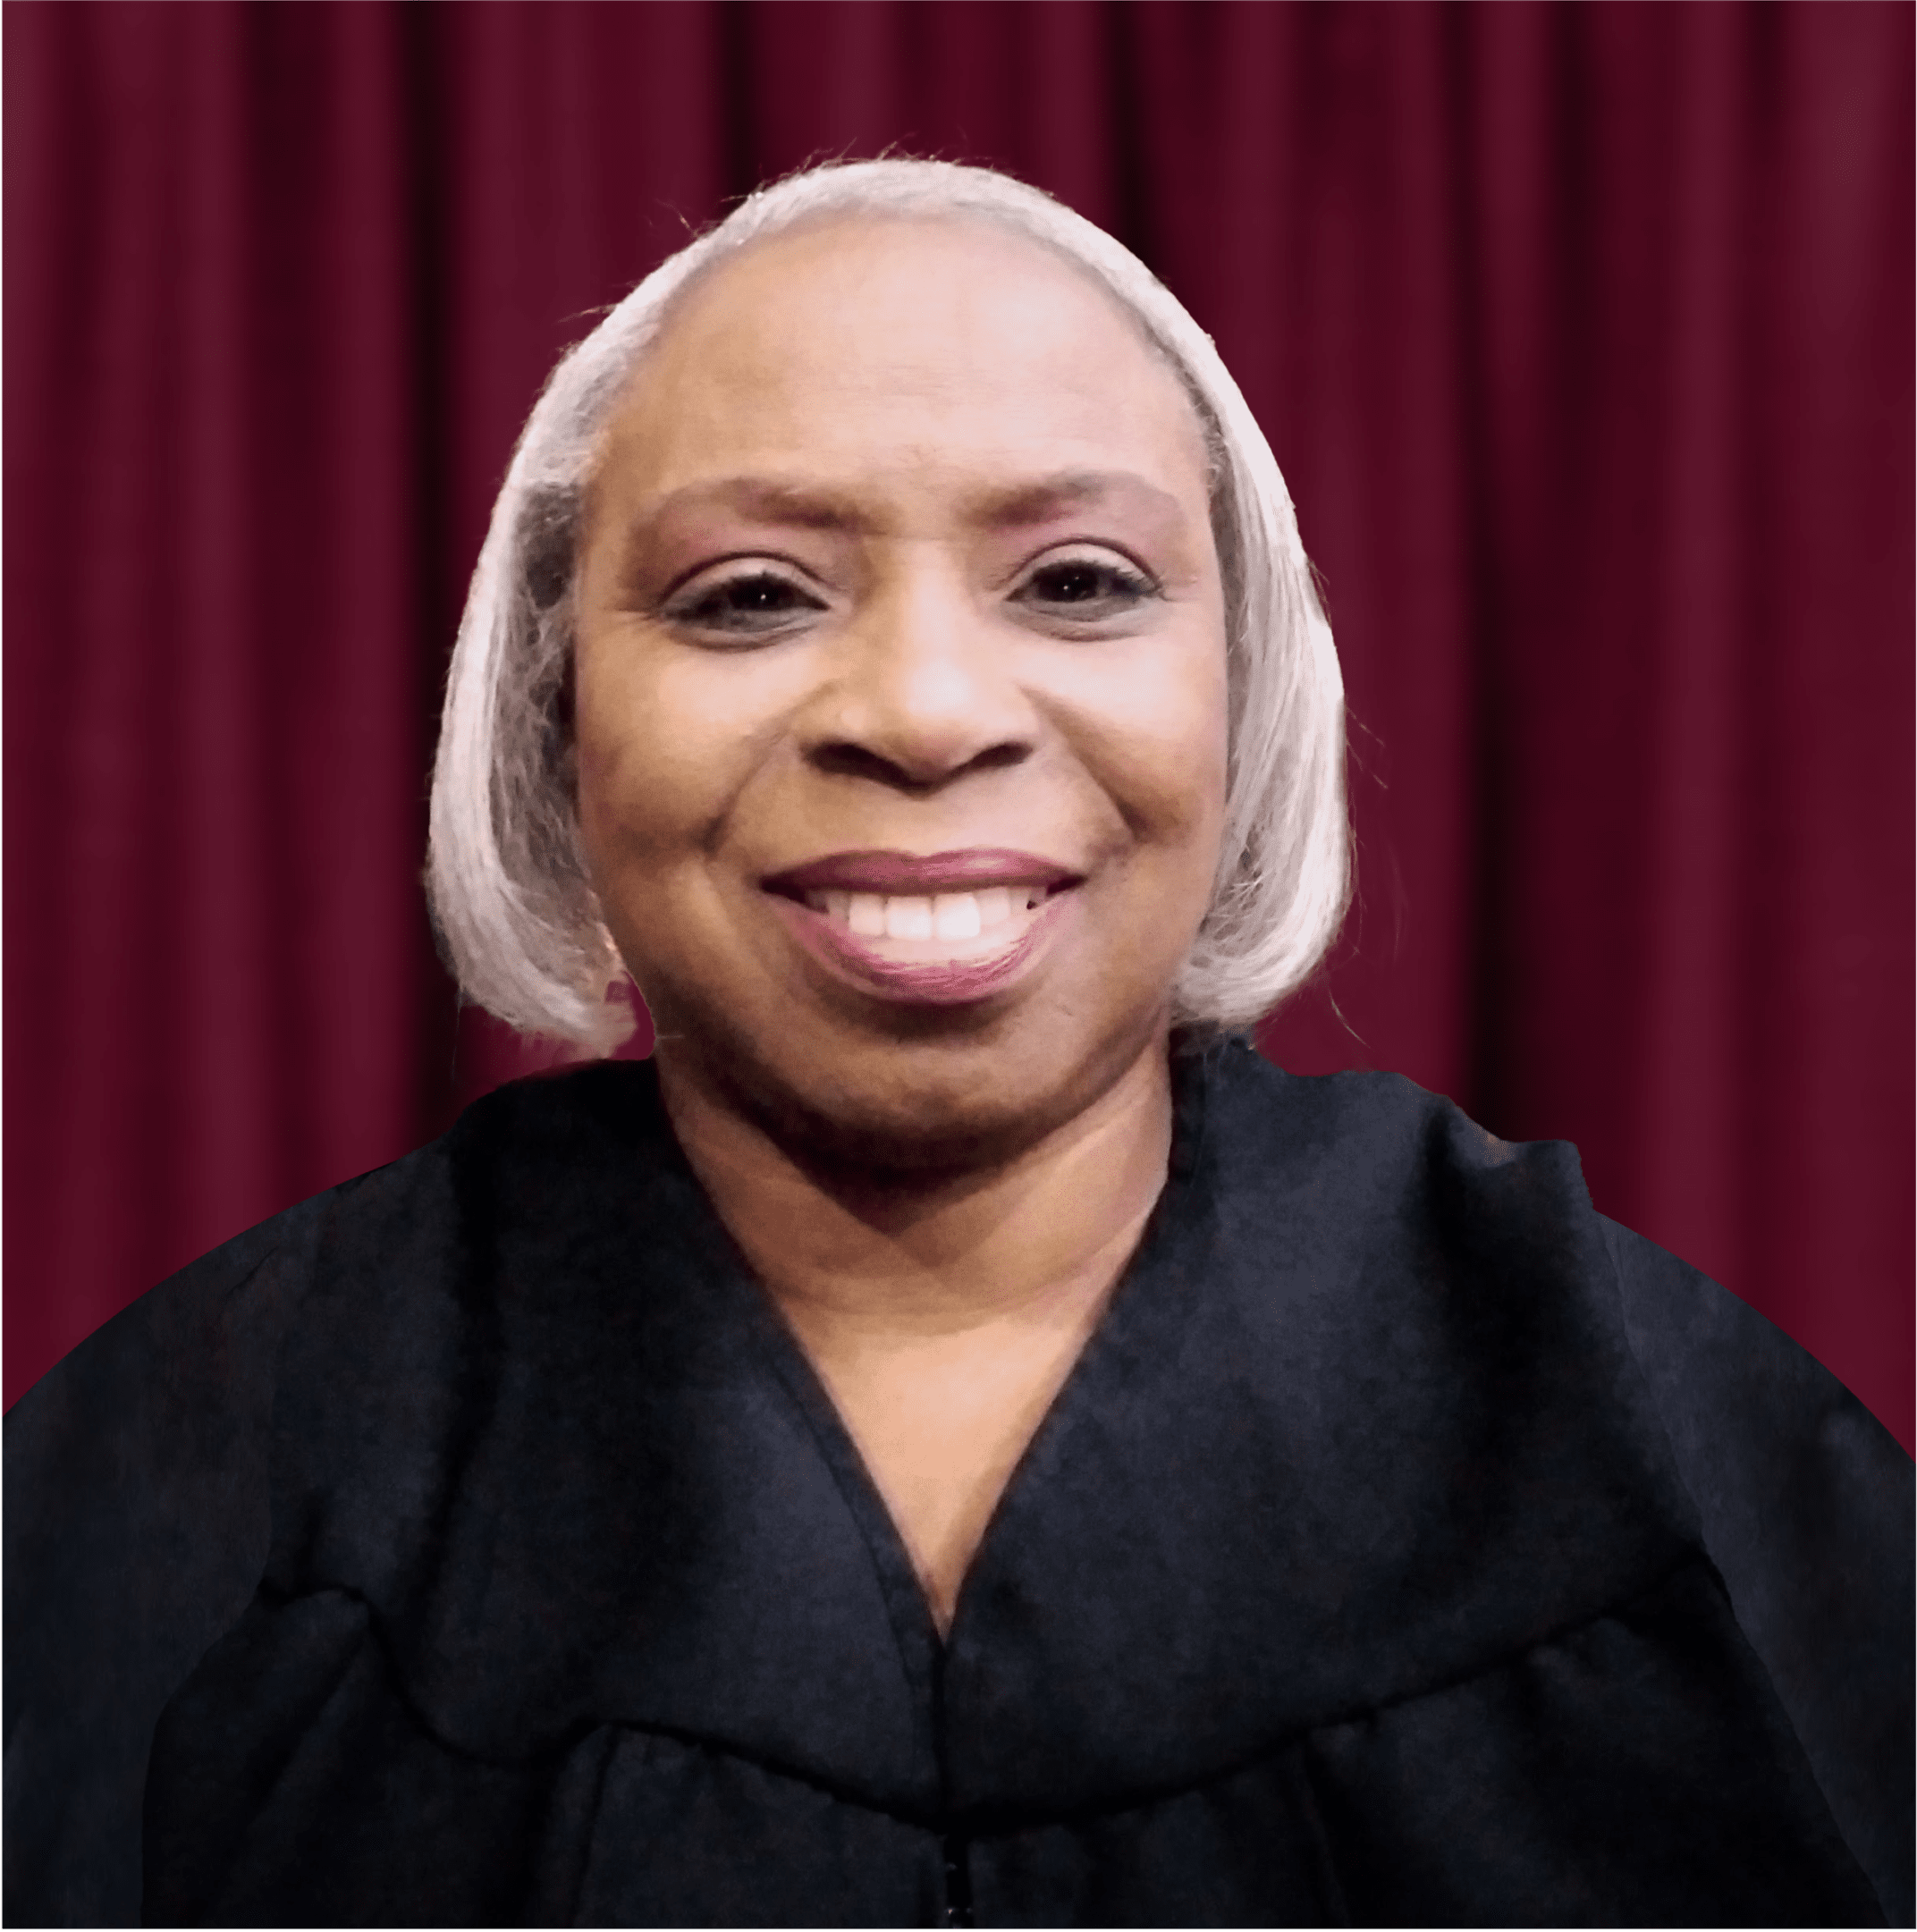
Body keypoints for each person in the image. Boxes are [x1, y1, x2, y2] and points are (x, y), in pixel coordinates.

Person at [4, 157, 1909, 1930]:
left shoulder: (1642, 1433)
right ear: (551, 724)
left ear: (1241, 697)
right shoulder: (216, 1483)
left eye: (1077, 581)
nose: (922, 711)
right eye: (751, 593)